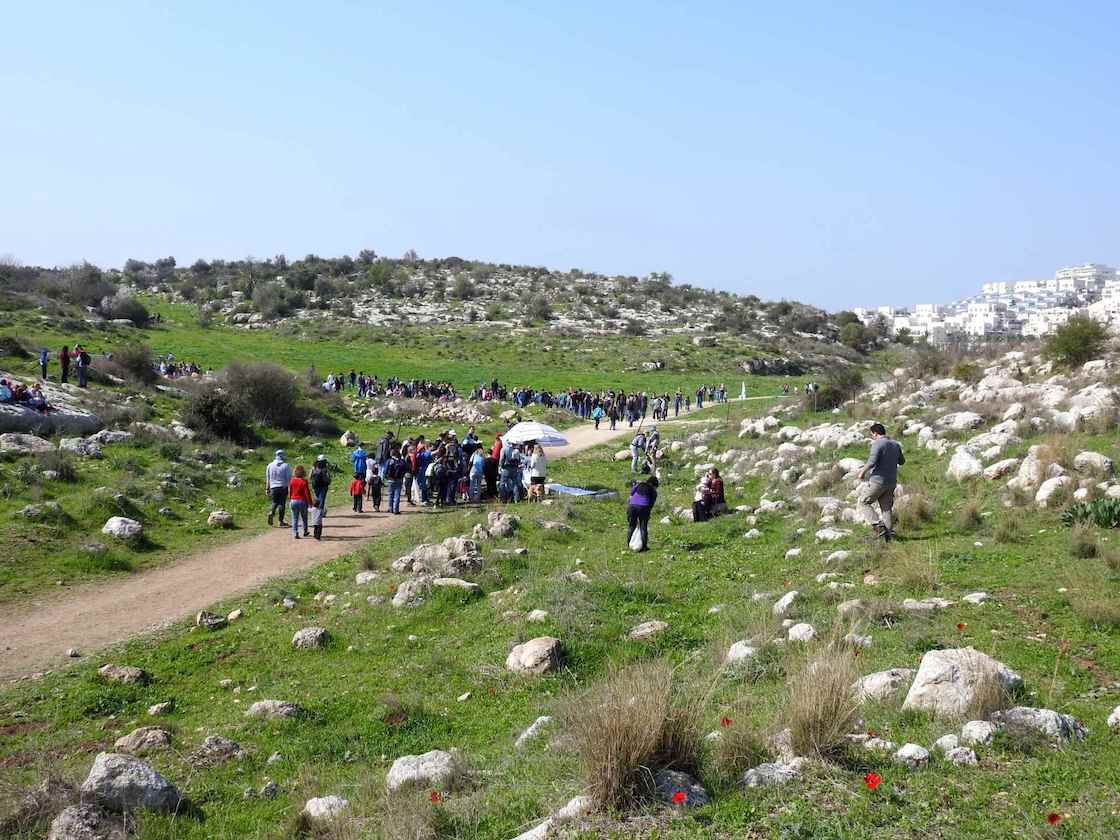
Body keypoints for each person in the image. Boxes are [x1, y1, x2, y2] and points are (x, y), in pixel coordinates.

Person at [857, 422, 905, 541]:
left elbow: (872, 461)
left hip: (878, 481)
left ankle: (878, 526)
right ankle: (889, 537)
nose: (872, 437)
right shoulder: (895, 444)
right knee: (886, 508)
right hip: (891, 482)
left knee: (863, 502)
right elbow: (902, 461)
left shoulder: (877, 443)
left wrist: (862, 472)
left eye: (872, 434)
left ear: (875, 433)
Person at [627, 475, 659, 551]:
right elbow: (651, 504)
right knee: (643, 527)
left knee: (631, 526)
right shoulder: (653, 491)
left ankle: (629, 544)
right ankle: (644, 547)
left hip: (632, 506)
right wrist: (648, 514)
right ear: (654, 485)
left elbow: (631, 494)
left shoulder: (639, 484)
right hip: (643, 507)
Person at [266, 449, 292, 527]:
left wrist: (267, 488)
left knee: (274, 502)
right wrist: (290, 488)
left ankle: (272, 512)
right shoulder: (286, 466)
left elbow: (268, 477)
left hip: (273, 487)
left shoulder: (270, 465)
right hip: (283, 487)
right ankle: (280, 521)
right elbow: (289, 478)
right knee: (282, 504)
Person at [288, 465, 312, 538]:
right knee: (304, 517)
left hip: (293, 500)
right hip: (302, 501)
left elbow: (290, 491)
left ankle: (295, 532)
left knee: (294, 518)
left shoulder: (292, 481)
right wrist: (310, 502)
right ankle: (305, 531)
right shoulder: (304, 481)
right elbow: (307, 493)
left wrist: (290, 499)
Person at [385, 446, 407, 515]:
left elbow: (385, 471)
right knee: (397, 495)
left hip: (390, 480)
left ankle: (390, 508)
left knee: (390, 494)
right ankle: (396, 510)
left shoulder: (389, 461)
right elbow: (405, 469)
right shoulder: (402, 461)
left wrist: (386, 477)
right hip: (399, 479)